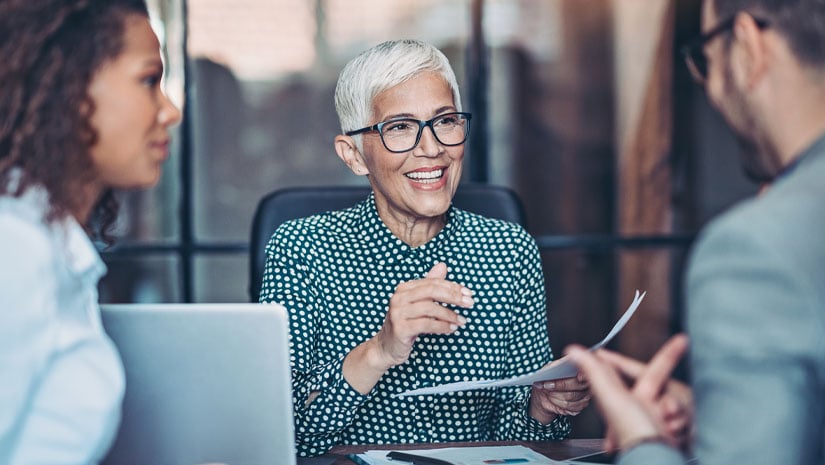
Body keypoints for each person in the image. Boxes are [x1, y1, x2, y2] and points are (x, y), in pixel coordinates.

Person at [259, 39, 590, 457]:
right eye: (399, 127)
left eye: (445, 121)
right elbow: (286, 434)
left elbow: (521, 442)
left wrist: (542, 409)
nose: (432, 148)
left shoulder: (509, 250)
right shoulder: (302, 249)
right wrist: (380, 350)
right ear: (354, 155)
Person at [566, 0, 825, 464]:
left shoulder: (756, 248)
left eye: (705, 57)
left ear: (747, 45)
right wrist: (726, 411)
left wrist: (642, 447)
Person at [0, 0, 181, 463]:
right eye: (148, 80)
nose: (170, 111)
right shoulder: (15, 247)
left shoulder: (51, 241)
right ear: (67, 87)